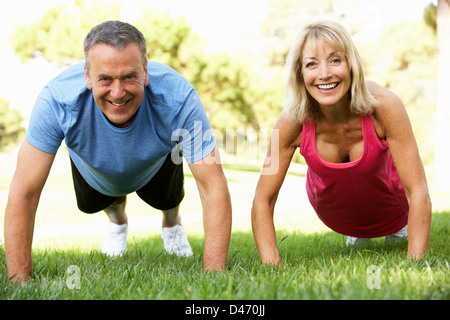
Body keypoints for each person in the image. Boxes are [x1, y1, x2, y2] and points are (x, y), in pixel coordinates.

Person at [4, 21, 232, 283]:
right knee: (99, 201)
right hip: (95, 168)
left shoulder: (179, 97)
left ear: (145, 72)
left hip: (156, 162)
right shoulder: (56, 100)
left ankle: (172, 224)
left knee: (168, 201)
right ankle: (118, 223)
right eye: (105, 79)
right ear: (87, 77)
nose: (118, 92)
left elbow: (213, 186)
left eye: (129, 77)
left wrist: (214, 275)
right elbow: (24, 193)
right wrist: (18, 281)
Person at [251, 20, 432, 267]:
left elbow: (417, 189)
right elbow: (264, 198)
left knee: (398, 227)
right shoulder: (290, 120)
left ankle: (396, 229)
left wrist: (416, 262)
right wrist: (272, 267)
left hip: (394, 209)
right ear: (299, 73)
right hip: (335, 213)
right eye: (311, 64)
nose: (324, 73)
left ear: (351, 65)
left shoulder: (385, 106)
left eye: (335, 60)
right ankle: (356, 232)